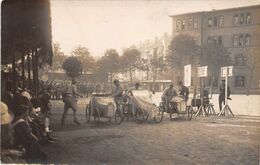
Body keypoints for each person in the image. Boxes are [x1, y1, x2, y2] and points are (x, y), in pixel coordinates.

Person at [12, 96, 47, 164]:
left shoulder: (17, 120)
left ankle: (45, 137)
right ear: (25, 112)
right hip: (23, 147)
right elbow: (30, 139)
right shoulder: (21, 124)